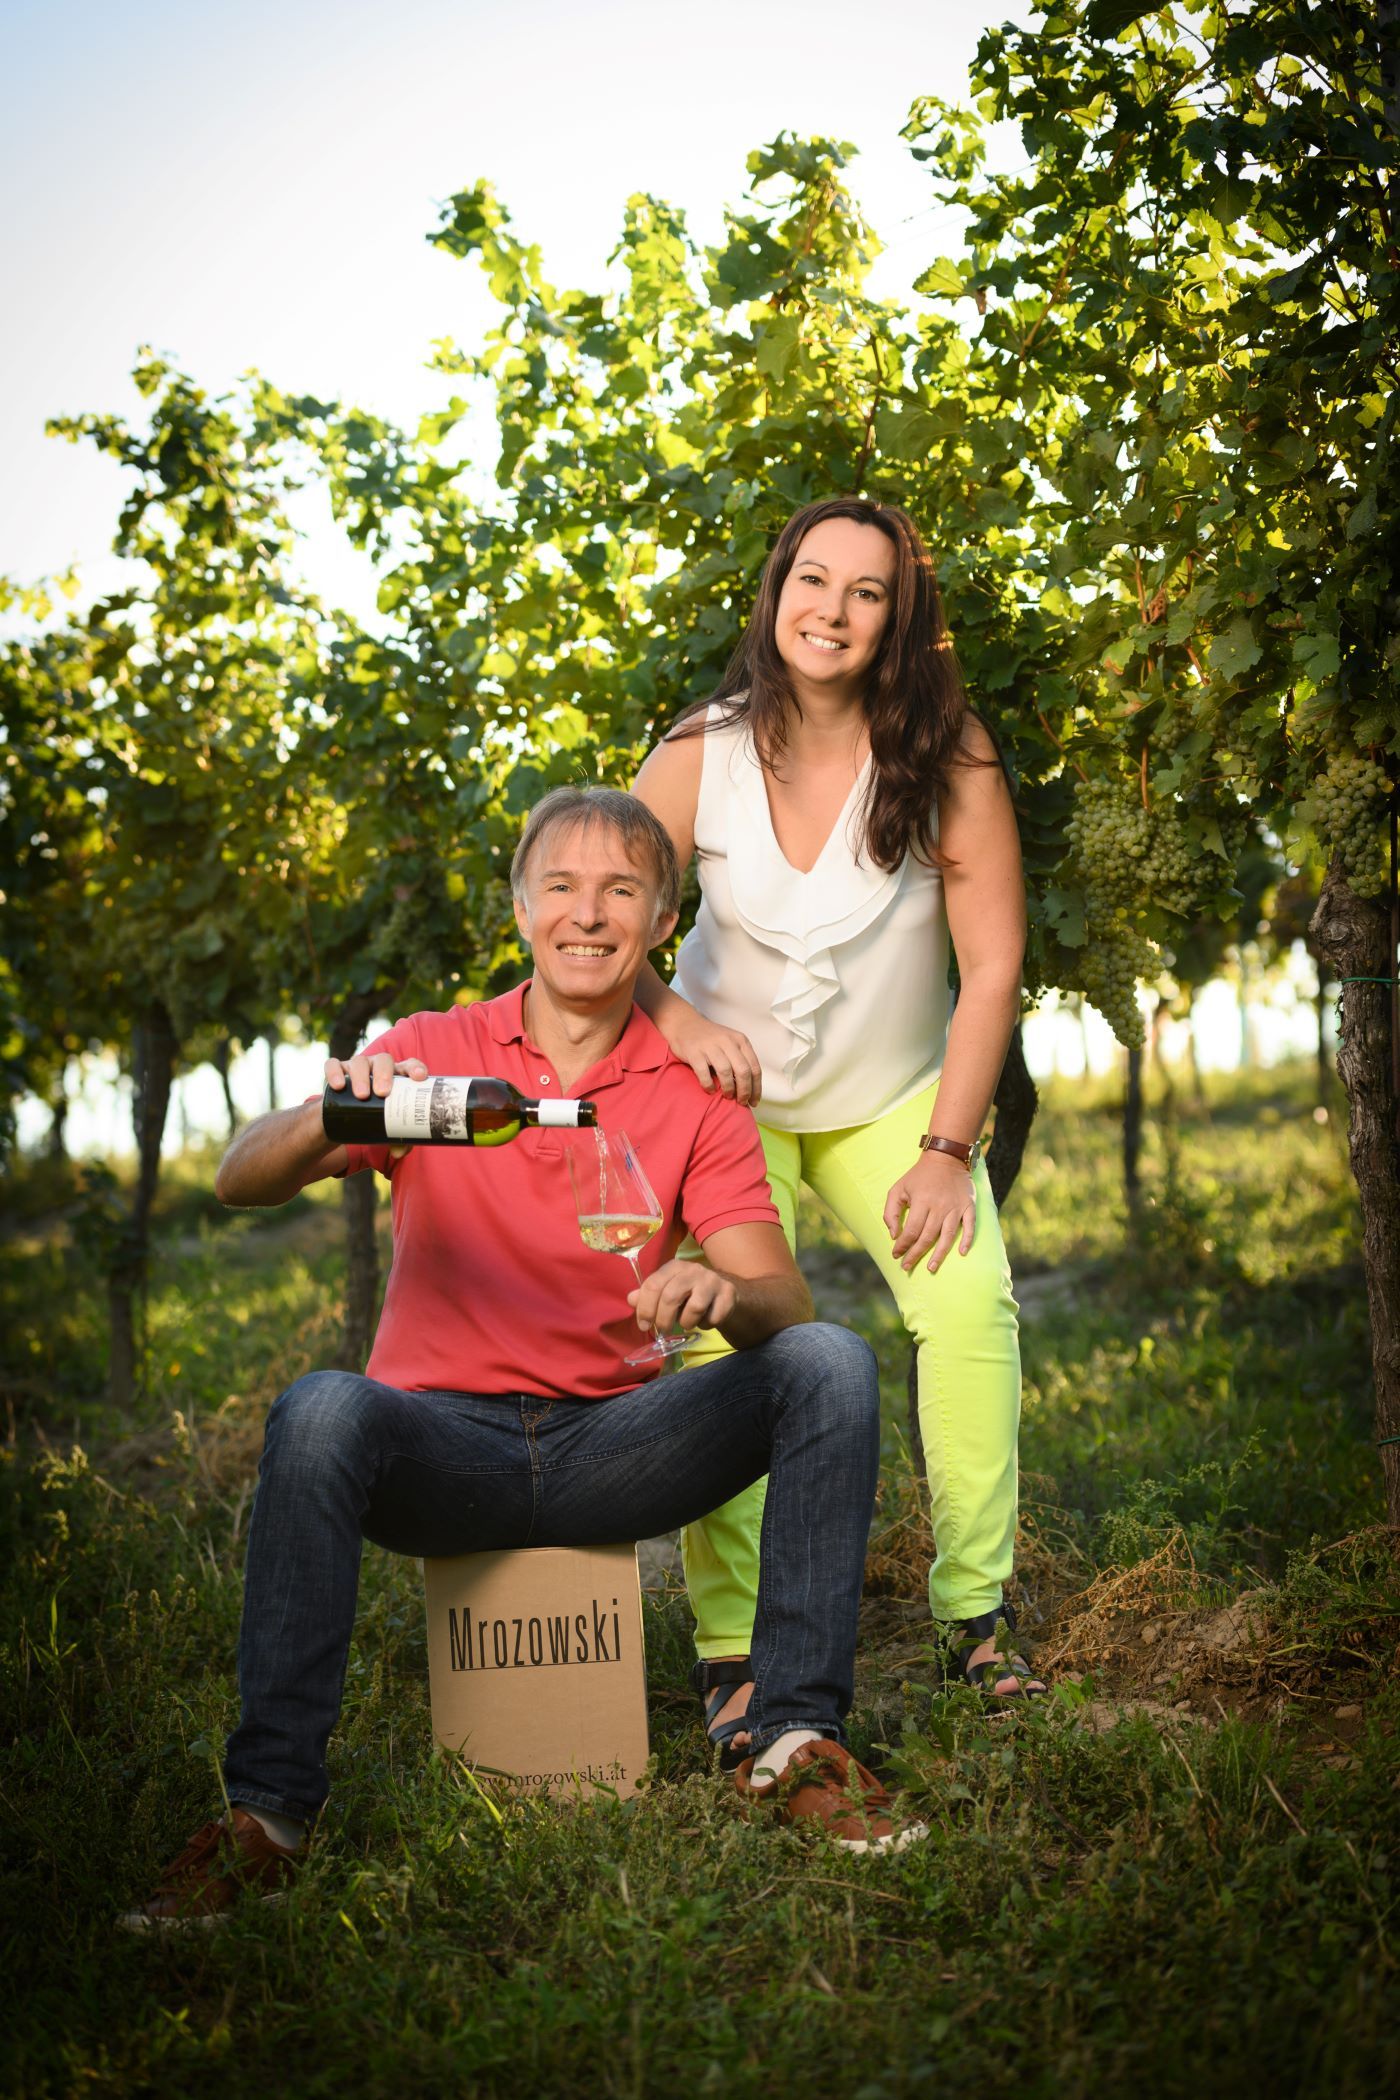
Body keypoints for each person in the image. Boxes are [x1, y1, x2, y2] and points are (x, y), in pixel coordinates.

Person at [123, 787, 919, 1929]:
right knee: (320, 1409)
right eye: (559, 886)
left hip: (614, 1446)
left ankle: (791, 1741)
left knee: (829, 1360)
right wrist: (337, 1116)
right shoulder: (435, 1055)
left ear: (660, 924)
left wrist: (722, 1293)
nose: (585, 914)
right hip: (438, 1446)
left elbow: (779, 1305)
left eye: (619, 891)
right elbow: (238, 1177)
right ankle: (267, 1814)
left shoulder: (693, 1089)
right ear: (519, 909)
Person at [632, 497, 1043, 1767]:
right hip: (724, 1113)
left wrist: (944, 1150)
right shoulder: (697, 751)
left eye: (865, 591)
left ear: (896, 618)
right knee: (721, 1342)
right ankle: (730, 1650)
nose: (832, 609)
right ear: (774, 595)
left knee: (967, 1305)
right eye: (812, 581)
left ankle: (974, 1609)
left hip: (889, 1108)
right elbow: (605, 924)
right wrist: (671, 1017)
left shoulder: (948, 756)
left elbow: (989, 967)